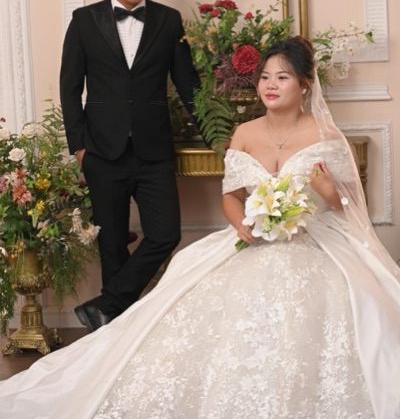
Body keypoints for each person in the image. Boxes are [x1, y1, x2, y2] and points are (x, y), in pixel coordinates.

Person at [1, 36, 400, 418]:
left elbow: (350, 206)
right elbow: (231, 196)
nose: (270, 85)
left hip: (313, 240)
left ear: (305, 84)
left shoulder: (325, 135)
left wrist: (328, 191)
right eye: (265, 76)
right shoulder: (244, 133)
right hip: (253, 238)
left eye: (282, 77)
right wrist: (240, 225)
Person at [59, 0, 201, 332]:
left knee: (165, 233)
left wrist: (218, 135)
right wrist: (79, 148)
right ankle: (114, 335)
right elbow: (70, 88)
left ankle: (106, 305)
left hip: (154, 149)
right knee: (112, 243)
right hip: (101, 152)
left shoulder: (169, 20)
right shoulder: (84, 21)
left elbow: (188, 85)